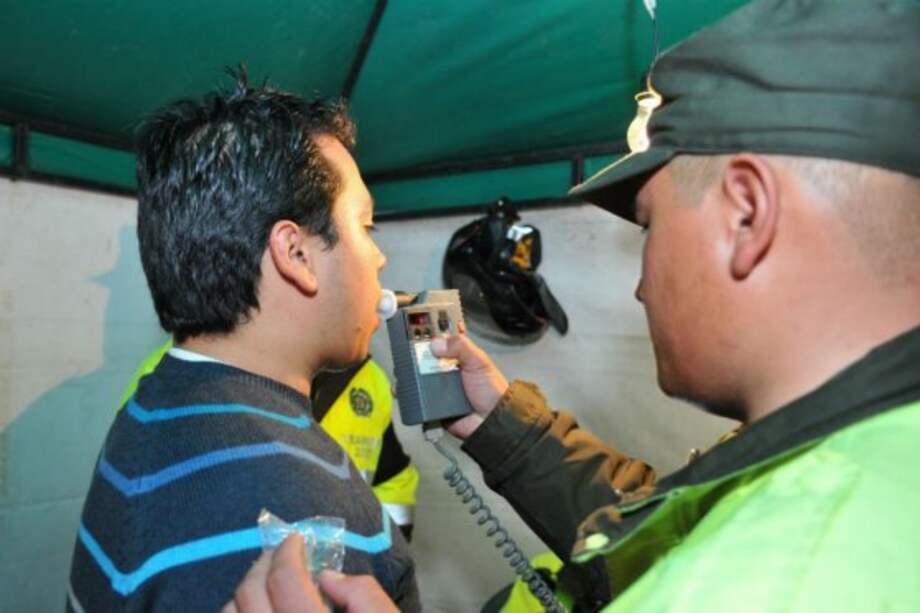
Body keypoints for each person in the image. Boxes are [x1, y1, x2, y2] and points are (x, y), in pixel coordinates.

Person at [229, 0, 920, 610]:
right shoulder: (852, 459)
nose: (641, 285)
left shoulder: (776, 573)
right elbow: (665, 518)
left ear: (746, 214)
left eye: (647, 228)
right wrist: (499, 422)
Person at [67, 70, 420, 612]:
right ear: (296, 253)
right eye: (366, 228)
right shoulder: (301, 531)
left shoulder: (156, 404)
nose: (378, 257)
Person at [119, 344, 421, 540]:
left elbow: (391, 481)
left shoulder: (368, 378)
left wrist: (384, 563)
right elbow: (128, 507)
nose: (379, 259)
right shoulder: (172, 371)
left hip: (338, 588)